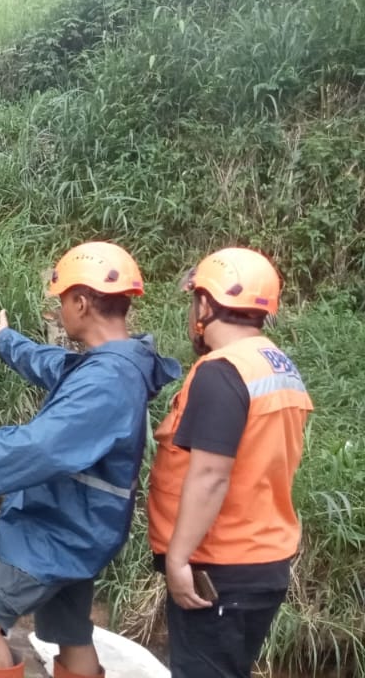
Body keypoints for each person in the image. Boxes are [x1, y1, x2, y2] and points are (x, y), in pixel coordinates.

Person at [0, 242, 180, 678]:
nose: (60, 311)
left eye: (62, 301)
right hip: (83, 525)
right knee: (72, 633)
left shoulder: (108, 380)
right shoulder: (115, 364)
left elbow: (37, 448)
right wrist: (5, 341)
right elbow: (56, 366)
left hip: (64, 531)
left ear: (81, 303)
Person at [148, 248, 312, 678]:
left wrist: (178, 560)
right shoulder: (276, 365)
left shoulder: (221, 371)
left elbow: (210, 475)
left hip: (220, 565)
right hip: (261, 560)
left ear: (205, 305)